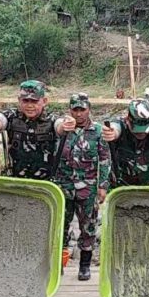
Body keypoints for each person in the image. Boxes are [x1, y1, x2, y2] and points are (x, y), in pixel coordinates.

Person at [53, 93, 111, 281]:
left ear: (89, 110)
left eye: (82, 110)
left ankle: (84, 266)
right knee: (60, 225)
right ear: (70, 110)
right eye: (75, 109)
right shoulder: (63, 129)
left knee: (88, 227)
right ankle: (57, 263)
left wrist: (103, 186)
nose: (78, 114)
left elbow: (104, 159)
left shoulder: (98, 131)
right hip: (63, 186)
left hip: (88, 188)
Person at [0, 80, 58, 179]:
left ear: (44, 101)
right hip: (16, 179)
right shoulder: (12, 116)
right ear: (19, 100)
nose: (29, 105)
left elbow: (60, 126)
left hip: (46, 182)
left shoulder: (52, 119)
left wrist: (66, 125)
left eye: (34, 101)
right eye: (25, 101)